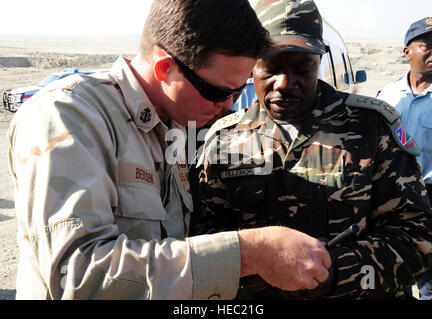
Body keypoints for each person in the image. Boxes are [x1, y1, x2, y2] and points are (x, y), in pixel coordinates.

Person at [7, 0, 332, 300]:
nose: (228, 105)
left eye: (237, 91)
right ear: (165, 68)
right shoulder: (68, 116)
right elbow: (79, 276)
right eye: (217, 91)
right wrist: (251, 253)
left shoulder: (172, 126)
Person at [191, 0, 432, 299]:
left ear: (318, 63)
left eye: (302, 67)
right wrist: (246, 265)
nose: (283, 83)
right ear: (251, 64)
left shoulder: (373, 128)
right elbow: (202, 237)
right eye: (270, 67)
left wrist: (333, 272)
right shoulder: (224, 141)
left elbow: (418, 238)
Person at [377, 17, 432, 300]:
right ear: (407, 52)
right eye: (428, 44)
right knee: (391, 273)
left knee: (431, 281)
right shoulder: (386, 96)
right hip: (390, 198)